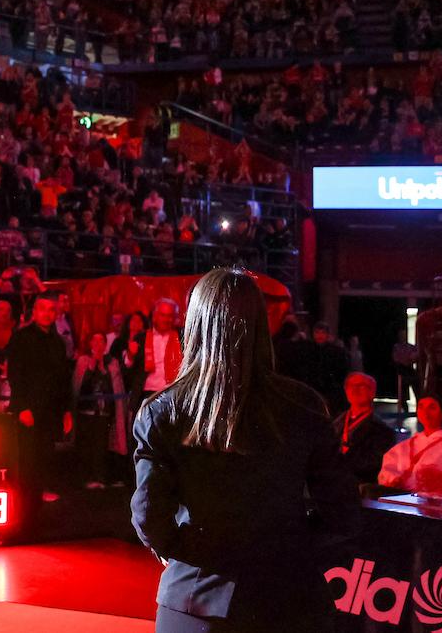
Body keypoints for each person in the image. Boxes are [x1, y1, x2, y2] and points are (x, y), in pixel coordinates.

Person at [132, 268, 360, 633]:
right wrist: (291, 546)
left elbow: (148, 514)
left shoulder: (162, 410)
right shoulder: (304, 406)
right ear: (260, 326)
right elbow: (343, 510)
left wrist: (185, 550)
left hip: (196, 599)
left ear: (195, 323)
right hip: (289, 599)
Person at [7, 293, 73, 502]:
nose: (47, 313)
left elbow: (63, 379)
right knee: (27, 454)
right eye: (42, 309)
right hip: (29, 406)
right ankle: (25, 495)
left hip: (51, 408)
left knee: (45, 452)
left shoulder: (58, 342)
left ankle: (38, 492)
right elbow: (15, 375)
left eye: (51, 310)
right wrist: (22, 407)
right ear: (34, 312)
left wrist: (66, 411)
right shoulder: (21, 337)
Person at [378, 397, 442, 495]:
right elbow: (389, 465)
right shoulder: (407, 444)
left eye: (432, 408)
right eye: (421, 407)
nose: (426, 412)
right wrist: (392, 479)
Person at [73, 331, 127, 488]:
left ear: (105, 345)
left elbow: (116, 388)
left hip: (104, 412)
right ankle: (87, 478)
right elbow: (78, 388)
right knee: (87, 446)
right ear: (90, 344)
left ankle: (101, 477)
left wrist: (103, 371)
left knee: (102, 446)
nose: (98, 345)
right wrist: (91, 368)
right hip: (86, 411)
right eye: (94, 341)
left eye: (101, 342)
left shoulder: (112, 362)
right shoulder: (83, 361)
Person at [332, 372, 397, 488]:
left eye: (361, 386)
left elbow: (372, 464)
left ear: (372, 392)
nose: (355, 390)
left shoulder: (383, 431)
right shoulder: (335, 423)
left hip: (358, 486)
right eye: (351, 386)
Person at [127, 298, 182, 411]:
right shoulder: (141, 338)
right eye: (163, 315)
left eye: (170, 316)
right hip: (147, 393)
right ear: (155, 316)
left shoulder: (181, 338)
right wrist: (130, 356)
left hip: (173, 392)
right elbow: (128, 369)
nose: (167, 319)